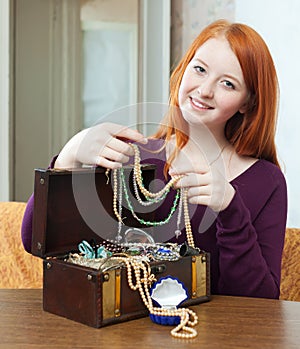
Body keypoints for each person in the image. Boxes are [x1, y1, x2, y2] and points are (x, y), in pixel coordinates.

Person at [21, 19, 287, 299]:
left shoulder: (266, 182)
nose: (205, 90)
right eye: (199, 69)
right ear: (183, 70)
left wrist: (231, 209)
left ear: (248, 102)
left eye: (228, 84)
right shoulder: (132, 157)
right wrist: (68, 158)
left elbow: (261, 301)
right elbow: (34, 241)